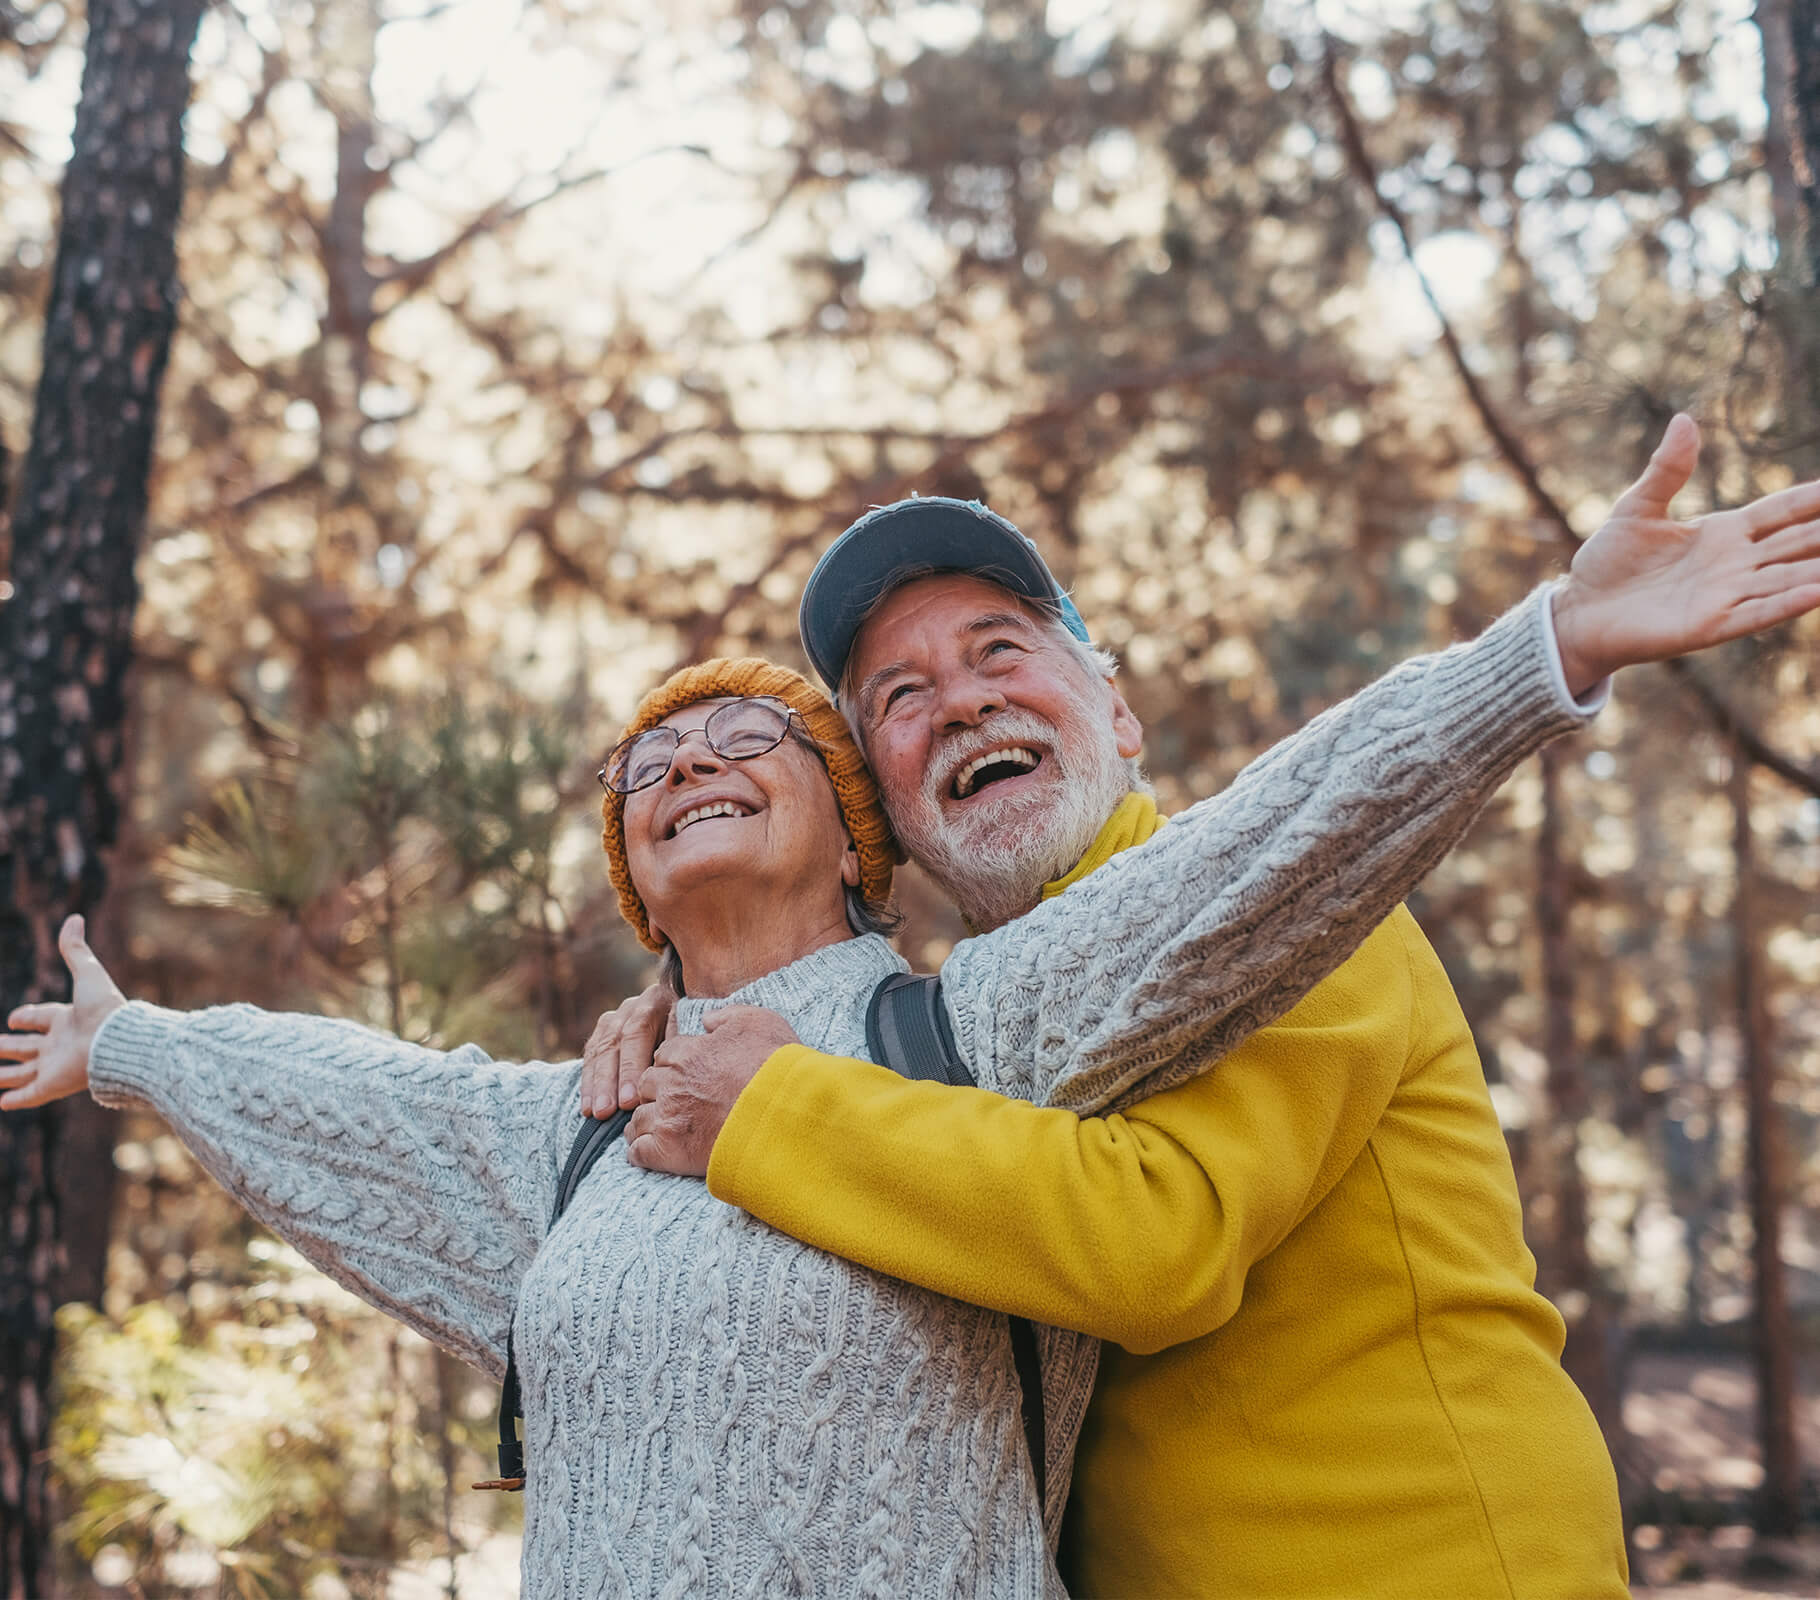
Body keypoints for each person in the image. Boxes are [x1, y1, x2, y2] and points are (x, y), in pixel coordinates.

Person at [4, 591, 1613, 1597]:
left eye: (747, 736)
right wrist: (134, 1044)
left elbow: (1275, 846)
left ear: (862, 842)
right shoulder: (578, 1126)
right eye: (648, 767)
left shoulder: (976, 1023)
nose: (686, 762)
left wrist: (1541, 655)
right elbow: (363, 1097)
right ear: (633, 878)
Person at [590, 415, 1820, 1599]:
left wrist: (770, 1109)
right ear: (890, 828)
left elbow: (1153, 1243)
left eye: (1000, 650)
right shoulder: (936, 1034)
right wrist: (677, 1004)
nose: (959, 701)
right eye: (898, 698)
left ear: (1117, 716)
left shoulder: (1281, 904)